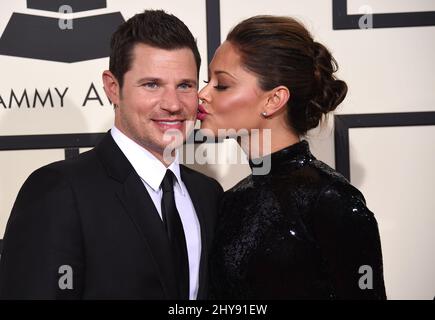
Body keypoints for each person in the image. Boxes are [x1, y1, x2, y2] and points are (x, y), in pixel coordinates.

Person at [0, 10, 223, 299]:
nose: (173, 104)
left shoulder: (208, 194)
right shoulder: (60, 191)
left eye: (185, 85)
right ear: (113, 88)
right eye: (151, 85)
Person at [198, 15, 386, 299]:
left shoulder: (330, 200)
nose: (202, 94)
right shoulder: (229, 201)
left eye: (221, 85)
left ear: (274, 100)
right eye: (206, 81)